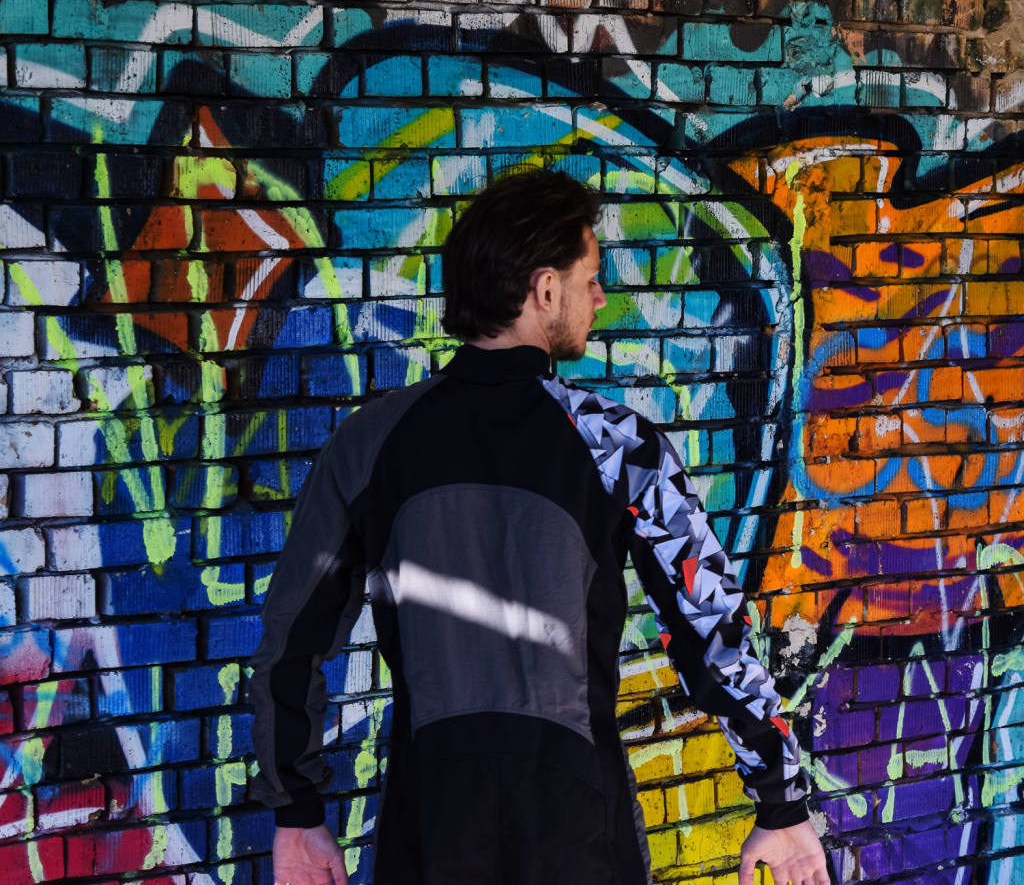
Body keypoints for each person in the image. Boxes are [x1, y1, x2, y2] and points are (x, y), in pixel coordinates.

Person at [251, 170, 829, 885]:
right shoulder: (618, 446)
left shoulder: (369, 442)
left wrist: (296, 811)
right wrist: (780, 801)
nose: (600, 298)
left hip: (428, 833)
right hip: (580, 833)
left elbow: (292, 640)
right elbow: (713, 633)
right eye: (591, 278)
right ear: (545, 290)